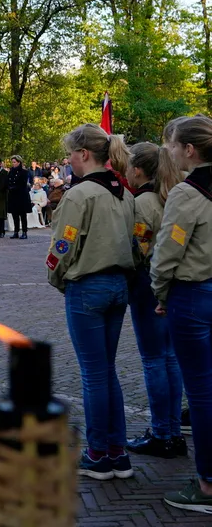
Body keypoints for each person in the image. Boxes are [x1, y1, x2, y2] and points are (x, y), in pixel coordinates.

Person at [47, 123, 135, 481]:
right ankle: (117, 451)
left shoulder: (80, 195)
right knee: (107, 371)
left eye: (71, 153)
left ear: (83, 154)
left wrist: (55, 276)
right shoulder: (123, 193)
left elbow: (63, 244)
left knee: (94, 375)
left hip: (88, 286)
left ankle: (98, 453)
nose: (68, 160)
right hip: (118, 284)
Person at [150, 115, 212, 513]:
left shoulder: (187, 193)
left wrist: (160, 293)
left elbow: (168, 252)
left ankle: (207, 484)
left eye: (172, 144)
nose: (169, 152)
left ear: (189, 149)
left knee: (203, 394)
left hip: (194, 297)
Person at [122, 142, 186, 459]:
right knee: (171, 358)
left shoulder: (142, 203)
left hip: (149, 284)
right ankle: (172, 430)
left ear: (137, 170)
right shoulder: (174, 196)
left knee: (153, 359)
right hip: (177, 284)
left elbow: (139, 248)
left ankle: (162, 432)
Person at [7, 155, 32, 239]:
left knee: (23, 215)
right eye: (12, 162)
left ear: (19, 162)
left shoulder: (24, 172)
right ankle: (16, 231)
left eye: (14, 162)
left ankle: (24, 232)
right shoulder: (11, 171)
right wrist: (9, 187)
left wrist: (14, 187)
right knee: (15, 215)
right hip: (13, 195)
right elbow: (8, 181)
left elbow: (23, 183)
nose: (13, 164)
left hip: (21, 196)